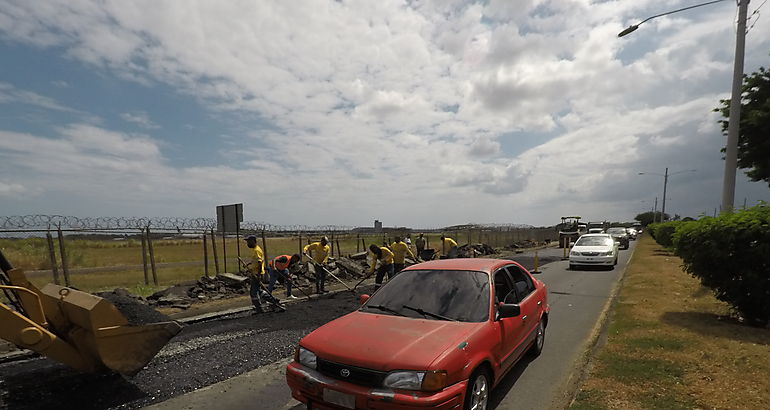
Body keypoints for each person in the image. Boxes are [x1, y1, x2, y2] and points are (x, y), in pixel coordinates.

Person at [243, 235, 267, 311]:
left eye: (248, 241)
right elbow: (255, 261)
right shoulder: (254, 250)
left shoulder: (257, 250)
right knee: (258, 291)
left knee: (253, 292)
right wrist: (249, 264)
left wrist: (259, 275)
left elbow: (260, 263)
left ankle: (259, 308)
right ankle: (272, 300)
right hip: (256, 273)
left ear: (253, 241)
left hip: (257, 274)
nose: (247, 243)